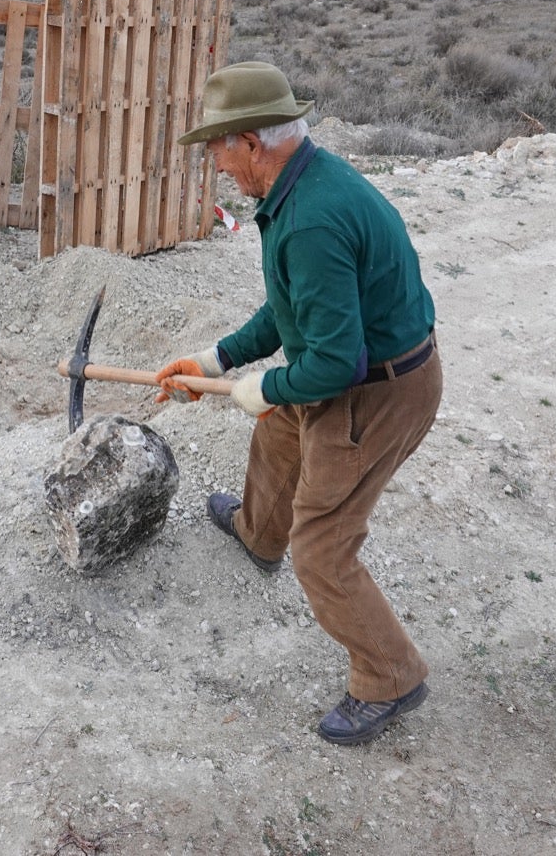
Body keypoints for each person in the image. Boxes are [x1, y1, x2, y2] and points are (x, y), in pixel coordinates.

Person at [157, 61, 443, 747]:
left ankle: (390, 674)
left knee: (323, 548)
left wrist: (268, 386)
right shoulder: (301, 185)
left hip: (379, 392)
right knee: (280, 430)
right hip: (357, 368)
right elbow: (293, 307)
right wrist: (219, 359)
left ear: (253, 142)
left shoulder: (311, 216)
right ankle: (259, 532)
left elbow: (335, 362)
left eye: (219, 147)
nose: (216, 164)